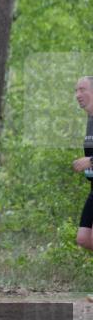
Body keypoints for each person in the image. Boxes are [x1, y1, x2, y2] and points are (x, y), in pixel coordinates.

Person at [73, 76, 93, 252]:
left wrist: (90, 161)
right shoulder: (90, 119)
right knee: (84, 238)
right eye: (76, 90)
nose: (78, 94)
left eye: (82, 89)